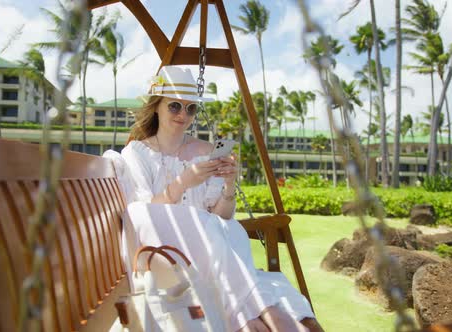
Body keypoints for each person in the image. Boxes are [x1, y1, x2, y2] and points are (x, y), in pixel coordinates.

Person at [119, 66, 323, 332]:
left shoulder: (204, 151)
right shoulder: (137, 153)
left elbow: (222, 215)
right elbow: (145, 216)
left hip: (215, 248)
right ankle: (262, 313)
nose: (183, 115)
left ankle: (254, 316)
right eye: (175, 106)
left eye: (191, 108)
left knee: (219, 228)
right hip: (172, 255)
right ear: (157, 105)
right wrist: (182, 183)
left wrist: (228, 184)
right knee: (211, 234)